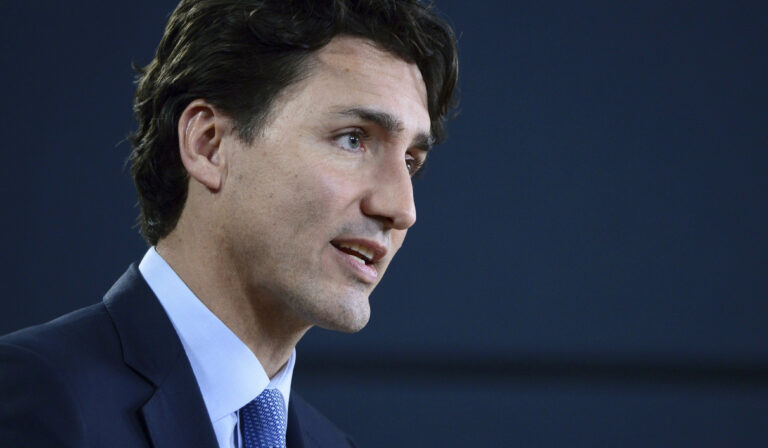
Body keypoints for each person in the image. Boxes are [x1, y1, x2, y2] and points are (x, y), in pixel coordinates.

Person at [0, 0, 458, 446]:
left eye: (411, 162)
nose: (402, 208)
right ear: (208, 145)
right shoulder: (38, 395)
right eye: (353, 139)